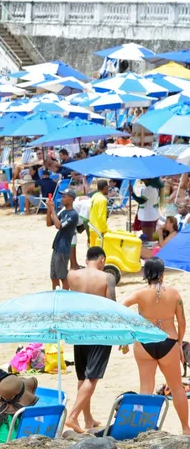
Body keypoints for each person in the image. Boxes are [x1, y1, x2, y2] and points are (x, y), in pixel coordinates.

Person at [123, 257, 190, 435]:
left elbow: (120, 308)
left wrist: (127, 334)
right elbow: (181, 322)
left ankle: (141, 430)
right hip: (168, 341)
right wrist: (179, 344)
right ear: (162, 274)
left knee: (146, 388)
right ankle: (185, 428)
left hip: (144, 342)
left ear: (145, 273)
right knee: (176, 388)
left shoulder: (139, 293)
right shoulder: (174, 294)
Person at [64, 246, 116, 433]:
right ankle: (72, 416)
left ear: (87, 259)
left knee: (82, 375)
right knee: (92, 377)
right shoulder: (107, 278)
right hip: (99, 331)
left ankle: (87, 419)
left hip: (78, 329)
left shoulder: (72, 276)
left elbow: (66, 299)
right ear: (102, 259)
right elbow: (112, 307)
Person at [47, 188, 79, 290]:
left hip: (63, 249)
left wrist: (52, 210)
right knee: (54, 276)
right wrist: (49, 211)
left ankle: (65, 295)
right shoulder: (64, 212)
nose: (62, 199)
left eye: (64, 197)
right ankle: (55, 296)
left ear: (71, 199)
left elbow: (58, 225)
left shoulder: (73, 214)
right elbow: (49, 223)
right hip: (57, 247)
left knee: (62, 276)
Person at [88, 179, 109, 248]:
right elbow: (101, 217)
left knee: (92, 250)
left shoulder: (94, 196)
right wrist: (105, 230)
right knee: (98, 252)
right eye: (108, 188)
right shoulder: (102, 200)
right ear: (105, 187)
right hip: (98, 230)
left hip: (92, 228)